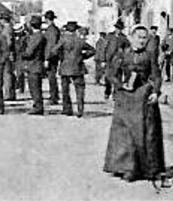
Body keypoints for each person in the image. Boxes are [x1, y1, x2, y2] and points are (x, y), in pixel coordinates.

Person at [103, 25, 165, 182]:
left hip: (144, 96)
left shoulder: (150, 55)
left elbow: (156, 76)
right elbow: (111, 74)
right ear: (131, 38)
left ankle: (149, 168)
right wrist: (119, 85)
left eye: (145, 38)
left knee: (147, 132)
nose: (142, 41)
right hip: (126, 97)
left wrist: (155, 92)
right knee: (126, 133)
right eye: (139, 37)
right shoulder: (122, 55)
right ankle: (127, 168)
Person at [50, 21, 95, 117]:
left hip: (65, 67)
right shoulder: (80, 40)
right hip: (78, 66)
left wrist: (61, 56)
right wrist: (82, 56)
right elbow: (92, 50)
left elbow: (53, 51)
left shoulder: (63, 40)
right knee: (79, 89)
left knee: (65, 89)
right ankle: (80, 109)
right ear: (76, 30)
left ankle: (67, 109)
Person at [22, 15, 46, 115]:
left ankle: (38, 107)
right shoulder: (38, 36)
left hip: (34, 64)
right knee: (34, 86)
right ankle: (37, 106)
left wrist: (22, 53)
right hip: (36, 64)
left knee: (34, 87)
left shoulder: (37, 37)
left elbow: (29, 52)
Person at [104, 19, 130, 99]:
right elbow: (104, 48)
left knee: (118, 77)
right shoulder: (109, 36)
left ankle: (116, 94)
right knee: (108, 77)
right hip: (109, 59)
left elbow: (127, 49)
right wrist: (103, 60)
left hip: (118, 60)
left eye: (120, 29)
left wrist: (124, 58)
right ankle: (107, 91)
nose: (118, 30)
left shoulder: (124, 38)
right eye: (117, 28)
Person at [43, 10, 61, 105]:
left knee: (51, 77)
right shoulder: (54, 29)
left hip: (51, 56)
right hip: (53, 55)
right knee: (51, 76)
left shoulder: (51, 30)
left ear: (47, 19)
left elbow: (51, 45)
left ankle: (54, 97)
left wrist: (47, 58)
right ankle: (54, 95)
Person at [1, 19, 17, 101]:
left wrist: (4, 50)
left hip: (7, 54)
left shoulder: (7, 29)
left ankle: (8, 94)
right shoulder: (9, 28)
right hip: (9, 54)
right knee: (9, 74)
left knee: (7, 75)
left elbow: (8, 42)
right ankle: (11, 93)